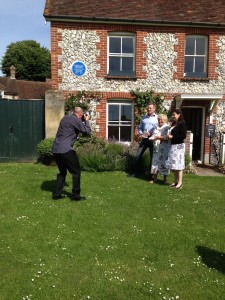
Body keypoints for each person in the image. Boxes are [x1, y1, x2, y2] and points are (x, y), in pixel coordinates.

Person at [52, 107, 91, 201]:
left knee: (62, 173)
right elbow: (87, 132)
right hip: (66, 150)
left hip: (56, 149)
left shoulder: (65, 118)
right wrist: (87, 121)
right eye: (82, 115)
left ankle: (57, 194)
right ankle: (76, 196)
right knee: (76, 172)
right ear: (80, 114)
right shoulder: (76, 120)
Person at [133, 103, 158, 179]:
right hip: (144, 139)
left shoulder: (157, 118)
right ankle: (135, 173)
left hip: (153, 139)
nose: (148, 109)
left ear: (154, 109)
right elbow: (140, 127)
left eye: (150, 108)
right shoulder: (144, 117)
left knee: (152, 158)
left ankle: (151, 176)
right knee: (138, 156)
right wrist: (141, 133)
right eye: (148, 108)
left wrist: (151, 132)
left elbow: (158, 127)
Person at [166, 109, 187, 189]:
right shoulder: (174, 123)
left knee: (179, 165)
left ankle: (180, 183)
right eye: (172, 115)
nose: (173, 116)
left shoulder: (182, 124)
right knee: (174, 165)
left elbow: (183, 136)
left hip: (179, 146)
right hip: (173, 146)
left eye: (174, 114)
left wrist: (173, 136)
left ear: (179, 114)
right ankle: (175, 182)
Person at [150, 114, 170, 184]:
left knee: (164, 162)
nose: (159, 121)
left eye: (161, 119)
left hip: (164, 148)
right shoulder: (156, 127)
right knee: (155, 162)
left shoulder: (167, 127)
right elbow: (153, 135)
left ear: (165, 120)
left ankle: (165, 179)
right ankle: (154, 178)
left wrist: (158, 137)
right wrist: (152, 138)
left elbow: (167, 138)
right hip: (156, 148)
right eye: (158, 119)